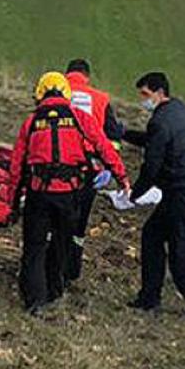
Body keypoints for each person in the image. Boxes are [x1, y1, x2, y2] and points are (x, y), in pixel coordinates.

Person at [8, 72, 130, 316]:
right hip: (69, 194)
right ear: (66, 93)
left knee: (34, 246)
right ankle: (55, 289)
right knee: (62, 243)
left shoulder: (31, 122)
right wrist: (122, 178)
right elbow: (104, 147)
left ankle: (35, 301)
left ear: (40, 94)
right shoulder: (79, 117)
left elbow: (17, 164)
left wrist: (12, 199)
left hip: (39, 194)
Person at [124, 72, 185, 325]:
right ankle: (149, 297)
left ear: (159, 92)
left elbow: (152, 164)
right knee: (152, 235)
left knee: (180, 251)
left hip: (180, 192)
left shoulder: (160, 121)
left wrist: (134, 193)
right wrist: (123, 133)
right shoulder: (179, 110)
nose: (142, 100)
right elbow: (155, 142)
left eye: (145, 94)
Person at [64, 58, 125, 282]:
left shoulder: (56, 92)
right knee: (79, 223)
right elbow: (114, 137)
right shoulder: (101, 99)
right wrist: (109, 166)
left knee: (52, 217)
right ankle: (71, 271)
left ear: (67, 74)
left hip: (58, 164)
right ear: (87, 76)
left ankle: (48, 266)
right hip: (89, 167)